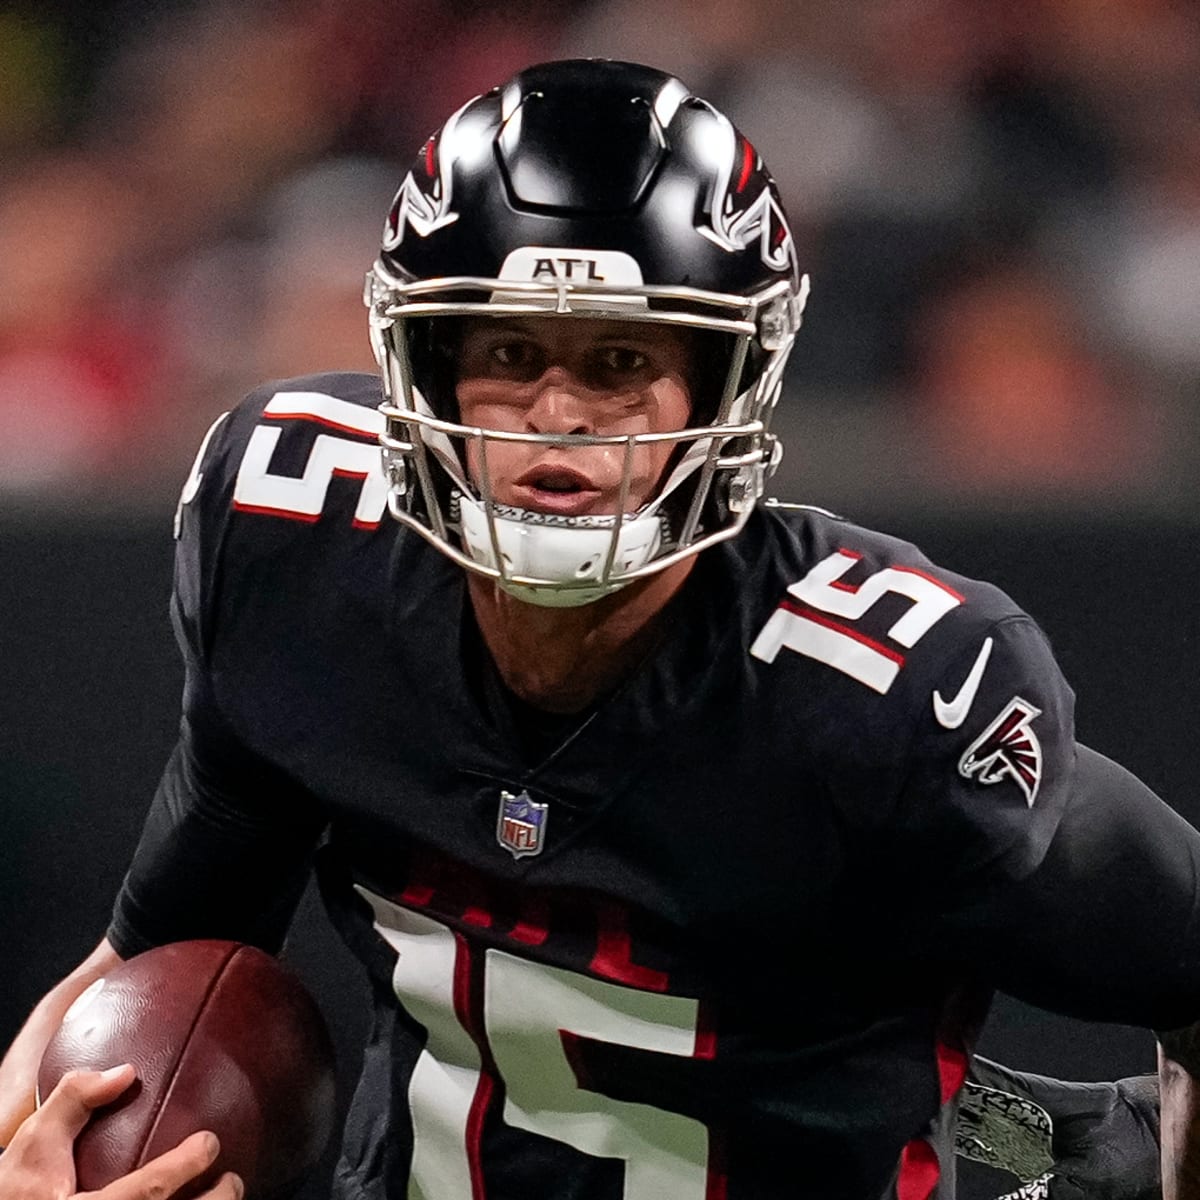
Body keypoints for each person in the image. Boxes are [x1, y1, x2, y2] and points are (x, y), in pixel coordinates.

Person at [1, 58, 1198, 1200]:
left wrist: (1070, 1148)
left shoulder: (884, 699)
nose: (561, 418)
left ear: (725, 388)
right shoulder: (302, 554)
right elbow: (145, 978)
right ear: (423, 367)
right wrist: (35, 1152)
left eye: (622, 361)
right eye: (511, 353)